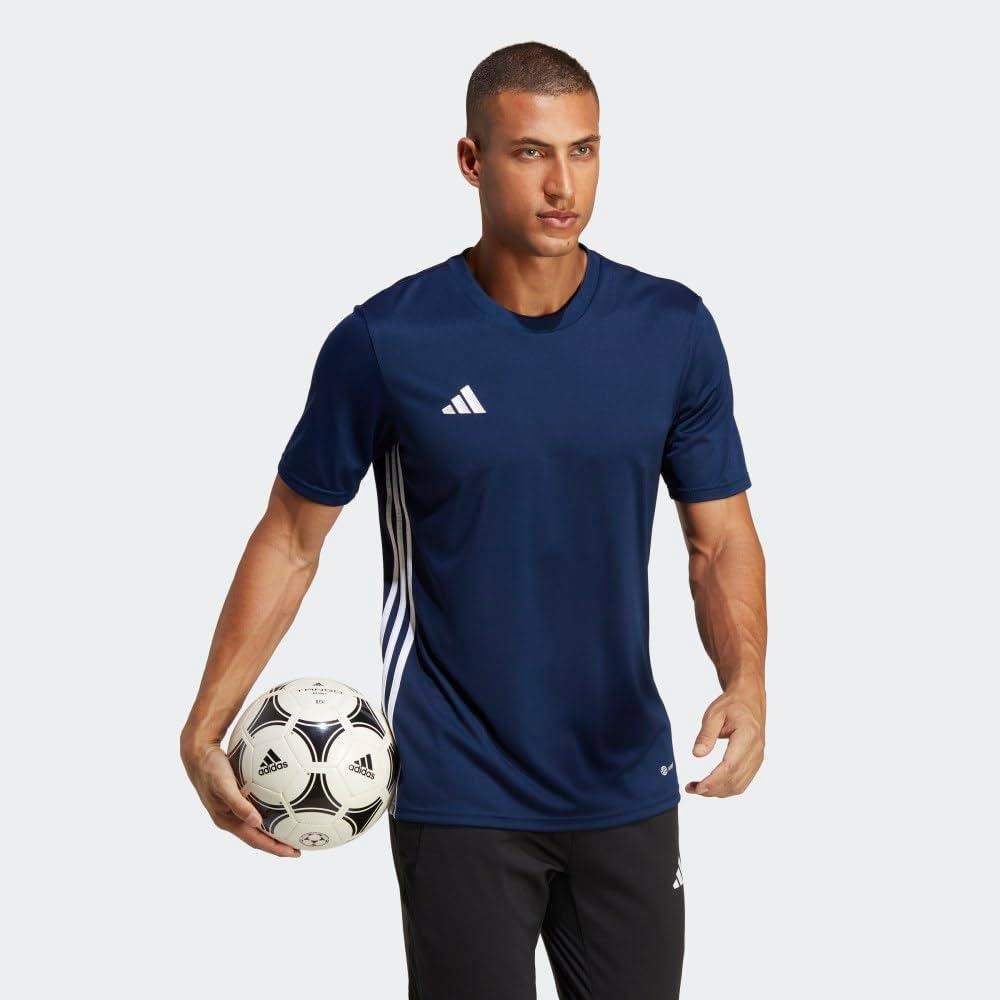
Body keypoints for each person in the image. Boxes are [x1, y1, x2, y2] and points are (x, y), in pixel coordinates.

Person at [181, 40, 767, 1000]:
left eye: (583, 151)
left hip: (625, 779)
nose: (562, 184)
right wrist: (204, 727)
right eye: (531, 152)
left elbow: (720, 540)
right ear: (472, 159)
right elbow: (290, 539)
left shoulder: (672, 331)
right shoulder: (388, 340)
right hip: (458, 789)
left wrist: (745, 682)